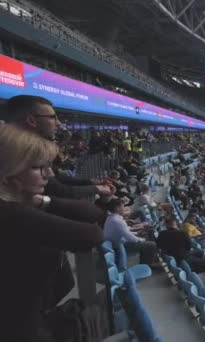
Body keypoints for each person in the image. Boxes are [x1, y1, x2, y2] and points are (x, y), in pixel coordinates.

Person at [0, 124, 104, 341]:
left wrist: (40, 200)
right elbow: (90, 233)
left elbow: (92, 213)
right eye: (38, 168)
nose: (48, 174)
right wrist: (43, 202)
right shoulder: (11, 215)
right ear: (8, 176)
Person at [4, 95, 114, 199]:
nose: (59, 123)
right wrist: (98, 190)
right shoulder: (13, 150)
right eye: (52, 117)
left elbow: (55, 178)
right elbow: (59, 190)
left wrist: (91, 183)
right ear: (31, 120)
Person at [103, 197, 158, 266]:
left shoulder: (111, 217)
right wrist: (142, 239)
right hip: (120, 247)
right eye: (122, 206)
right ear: (117, 208)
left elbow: (124, 232)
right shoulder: (117, 221)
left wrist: (137, 233)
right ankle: (145, 265)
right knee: (152, 245)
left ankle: (148, 258)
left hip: (118, 243)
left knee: (146, 237)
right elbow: (130, 238)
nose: (124, 208)